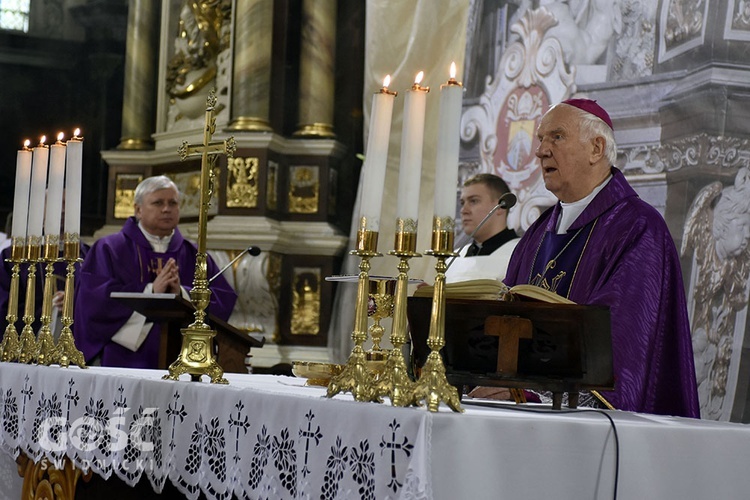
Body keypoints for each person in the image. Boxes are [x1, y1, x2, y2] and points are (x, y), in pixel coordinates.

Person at [501, 98, 699, 417]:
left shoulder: (637, 227)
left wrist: (527, 393)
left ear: (596, 148)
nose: (540, 150)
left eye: (557, 136)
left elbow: (619, 343)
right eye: (540, 139)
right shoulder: (537, 233)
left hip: (598, 432)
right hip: (522, 416)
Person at [73, 175, 237, 369]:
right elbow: (92, 300)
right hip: (124, 358)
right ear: (138, 209)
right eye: (158, 203)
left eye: (173, 203)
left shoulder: (195, 255)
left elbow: (223, 299)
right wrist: (151, 292)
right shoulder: (109, 249)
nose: (167, 209)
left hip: (183, 358)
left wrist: (182, 295)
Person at [446, 173, 519, 283]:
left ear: (500, 207)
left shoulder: (521, 254)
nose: (463, 210)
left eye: (473, 201)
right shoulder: (453, 258)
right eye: (462, 202)